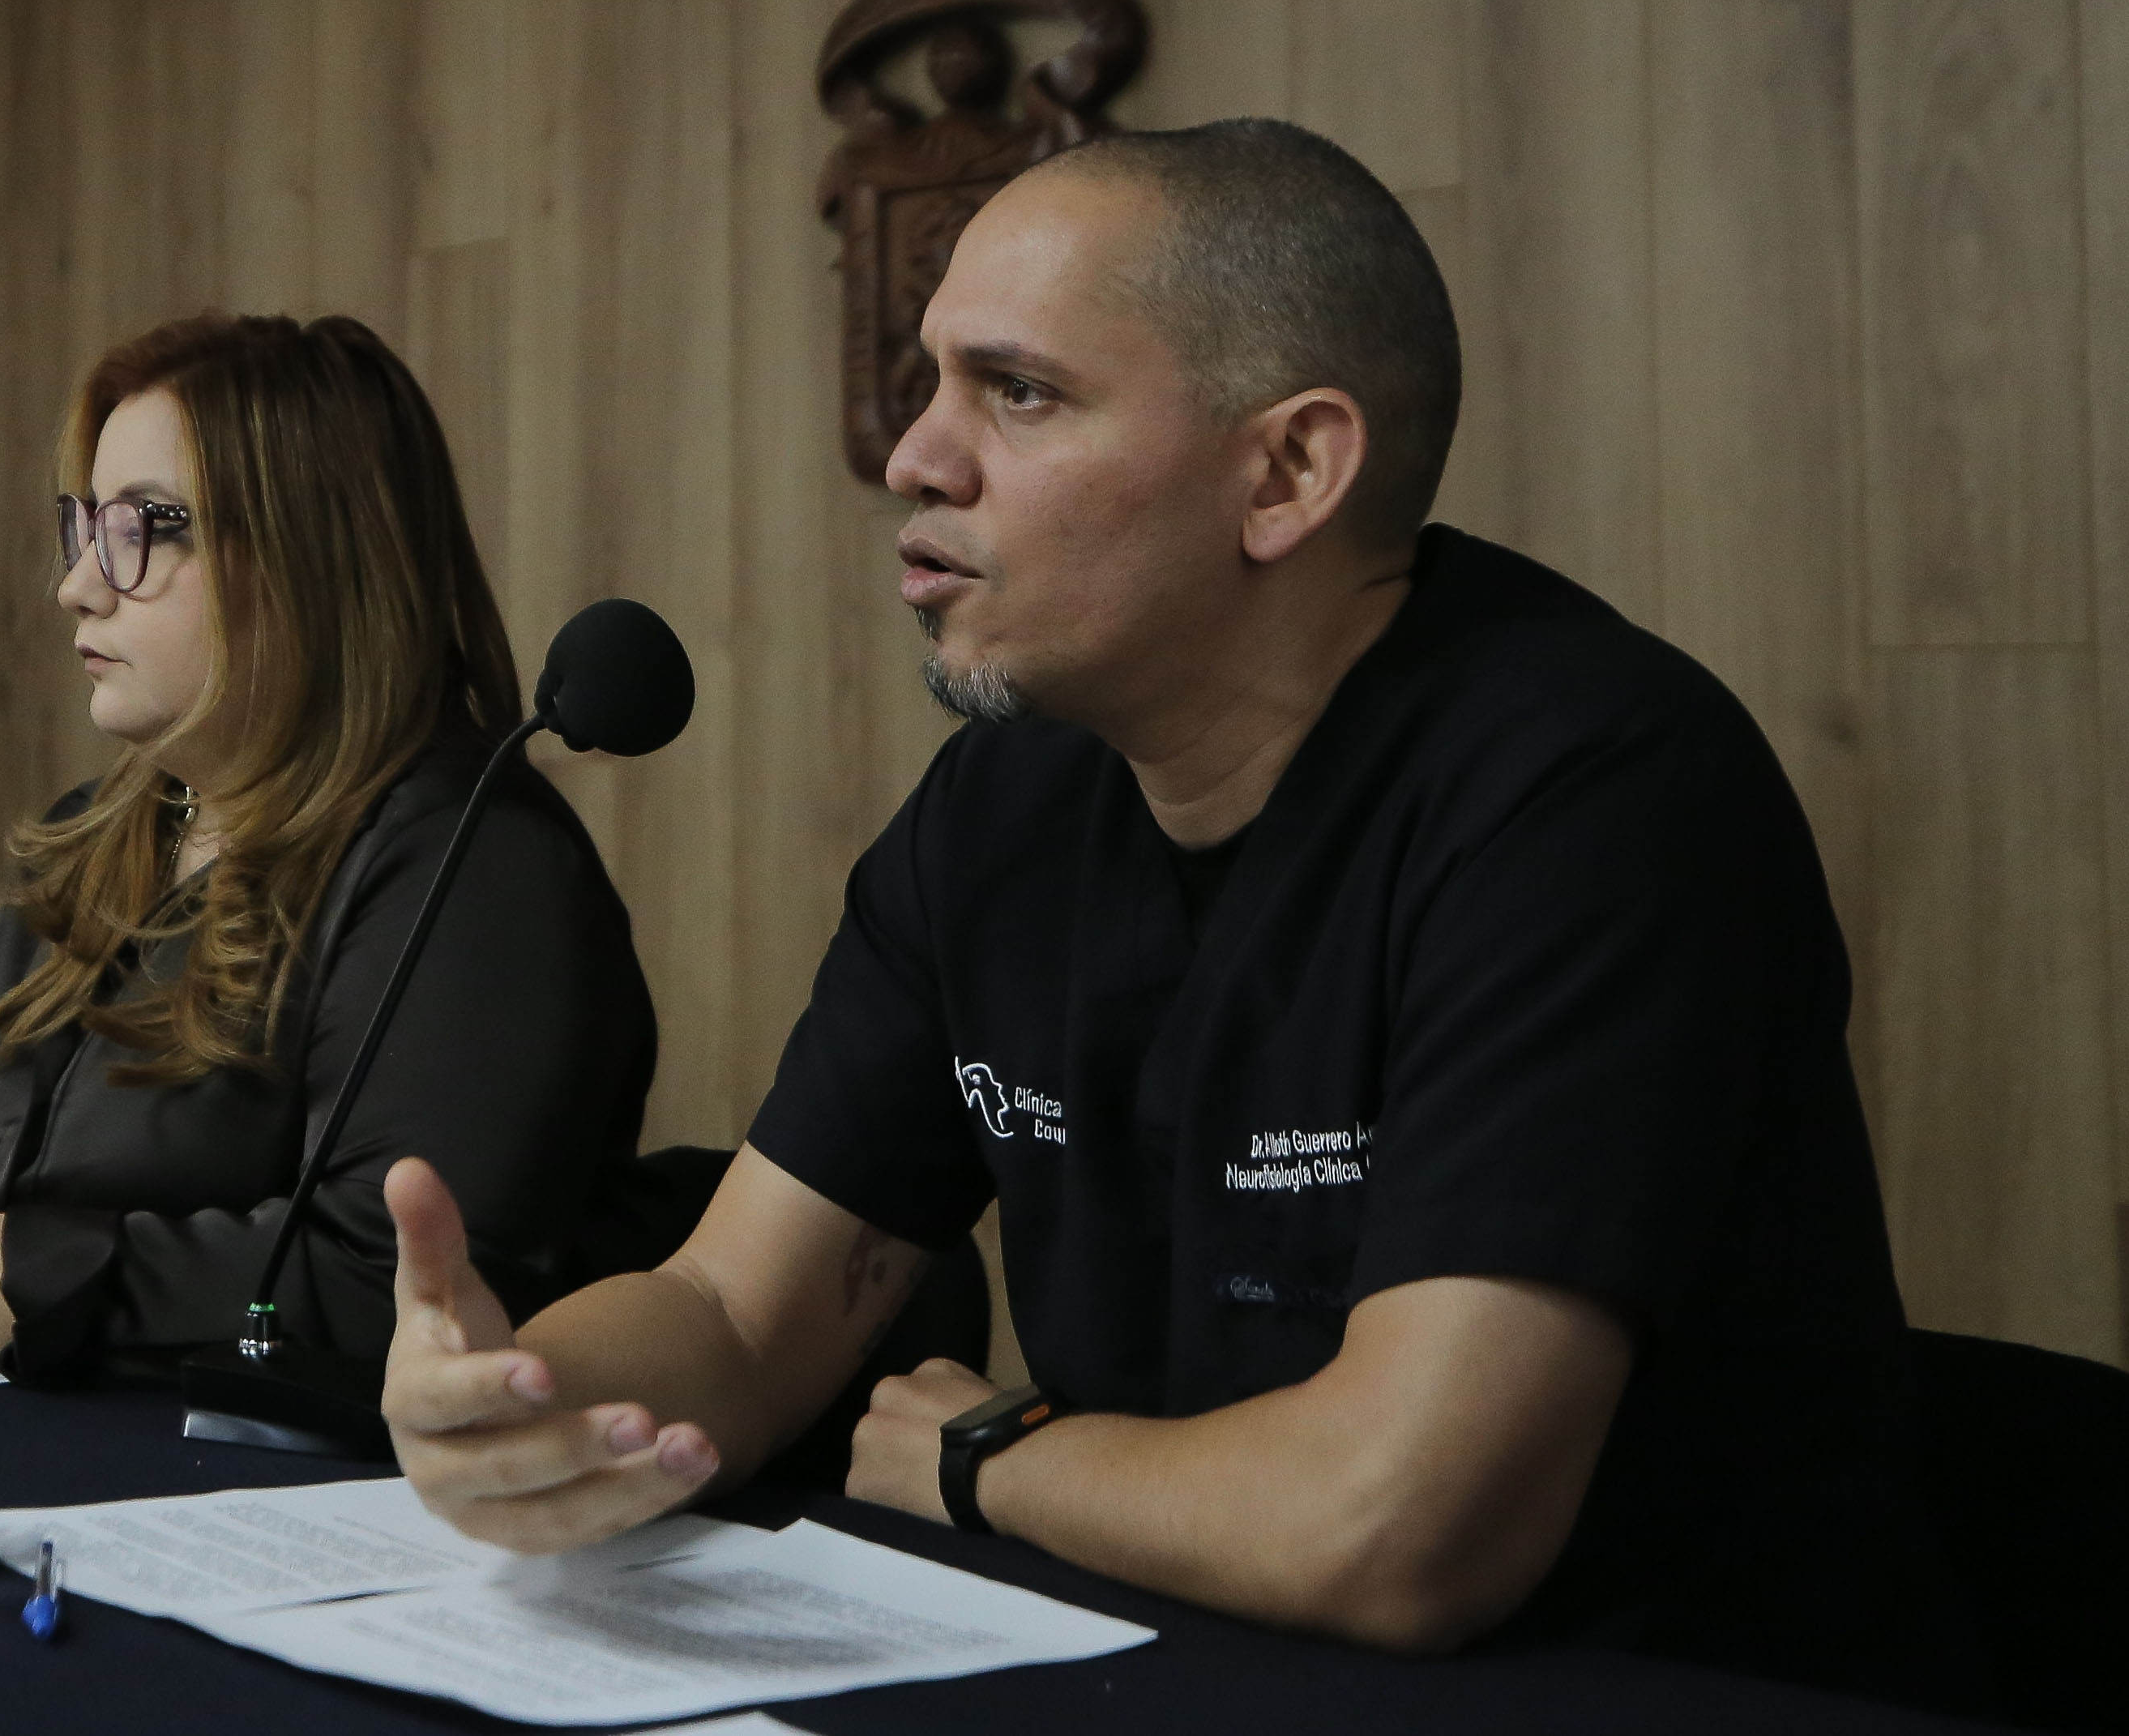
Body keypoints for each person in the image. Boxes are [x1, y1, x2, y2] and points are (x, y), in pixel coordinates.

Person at [378, 122, 1971, 1708]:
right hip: (1172, 1667)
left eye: (1015, 392)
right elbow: (734, 1312)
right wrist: (522, 1399)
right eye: (930, 382)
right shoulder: (1001, 805)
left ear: (1285, 473)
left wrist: (988, 1455)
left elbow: (1398, 1531)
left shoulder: (1588, 792)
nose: (914, 457)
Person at [0, 313, 658, 1383]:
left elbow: (385, 1283)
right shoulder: (96, 829)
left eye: (145, 526)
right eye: (85, 526)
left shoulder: (477, 865)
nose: (78, 583)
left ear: (310, 555)